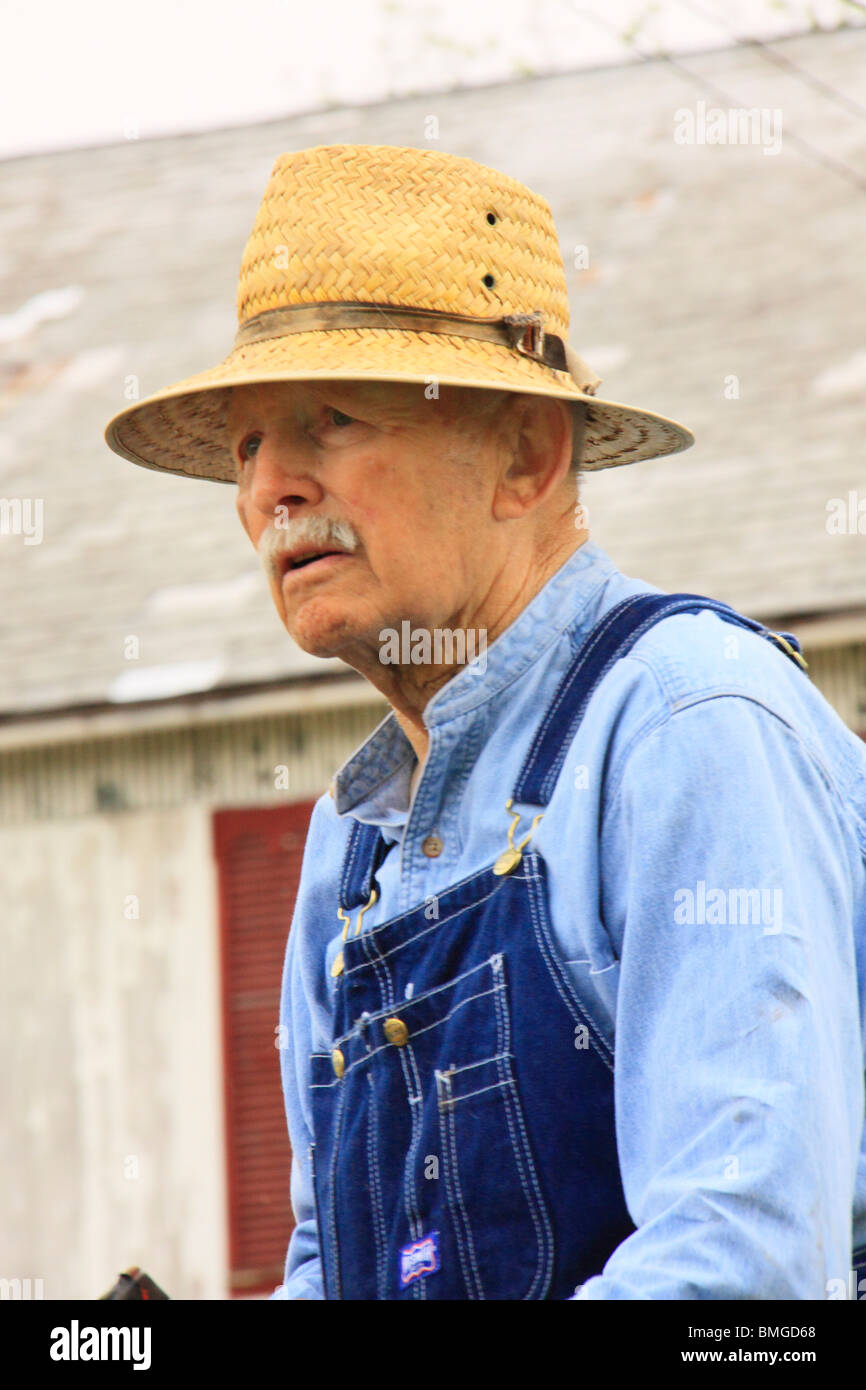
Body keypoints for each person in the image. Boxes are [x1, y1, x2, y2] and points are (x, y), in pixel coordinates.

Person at [105, 144, 866, 1300]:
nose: (271, 489)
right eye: (249, 443)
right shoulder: (348, 849)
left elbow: (741, 1274)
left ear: (524, 453)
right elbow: (333, 1266)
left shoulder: (684, 728)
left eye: (333, 419)